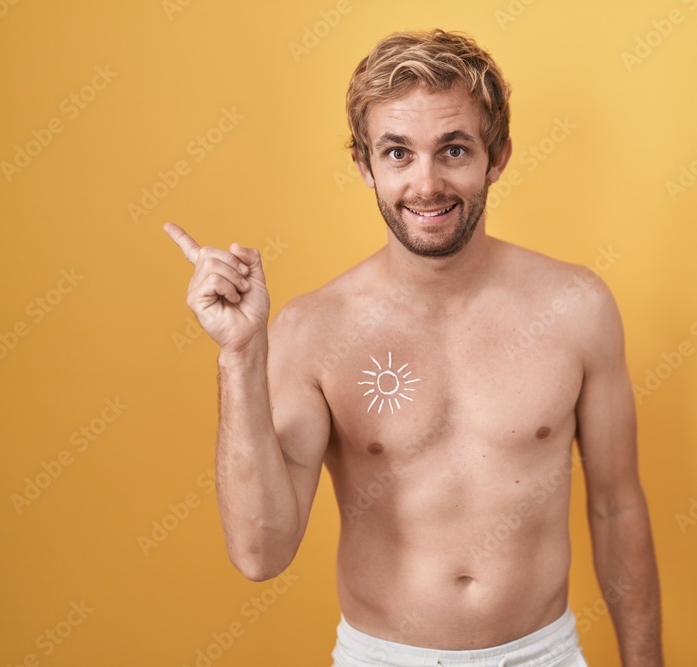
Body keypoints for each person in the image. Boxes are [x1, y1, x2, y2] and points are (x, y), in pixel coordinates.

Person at [165, 29, 663, 667]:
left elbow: (617, 507)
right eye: (398, 153)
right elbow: (261, 553)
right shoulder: (313, 329)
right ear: (366, 165)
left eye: (453, 149)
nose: (426, 184)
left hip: (545, 654)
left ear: (498, 156)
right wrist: (239, 356)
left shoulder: (577, 307)